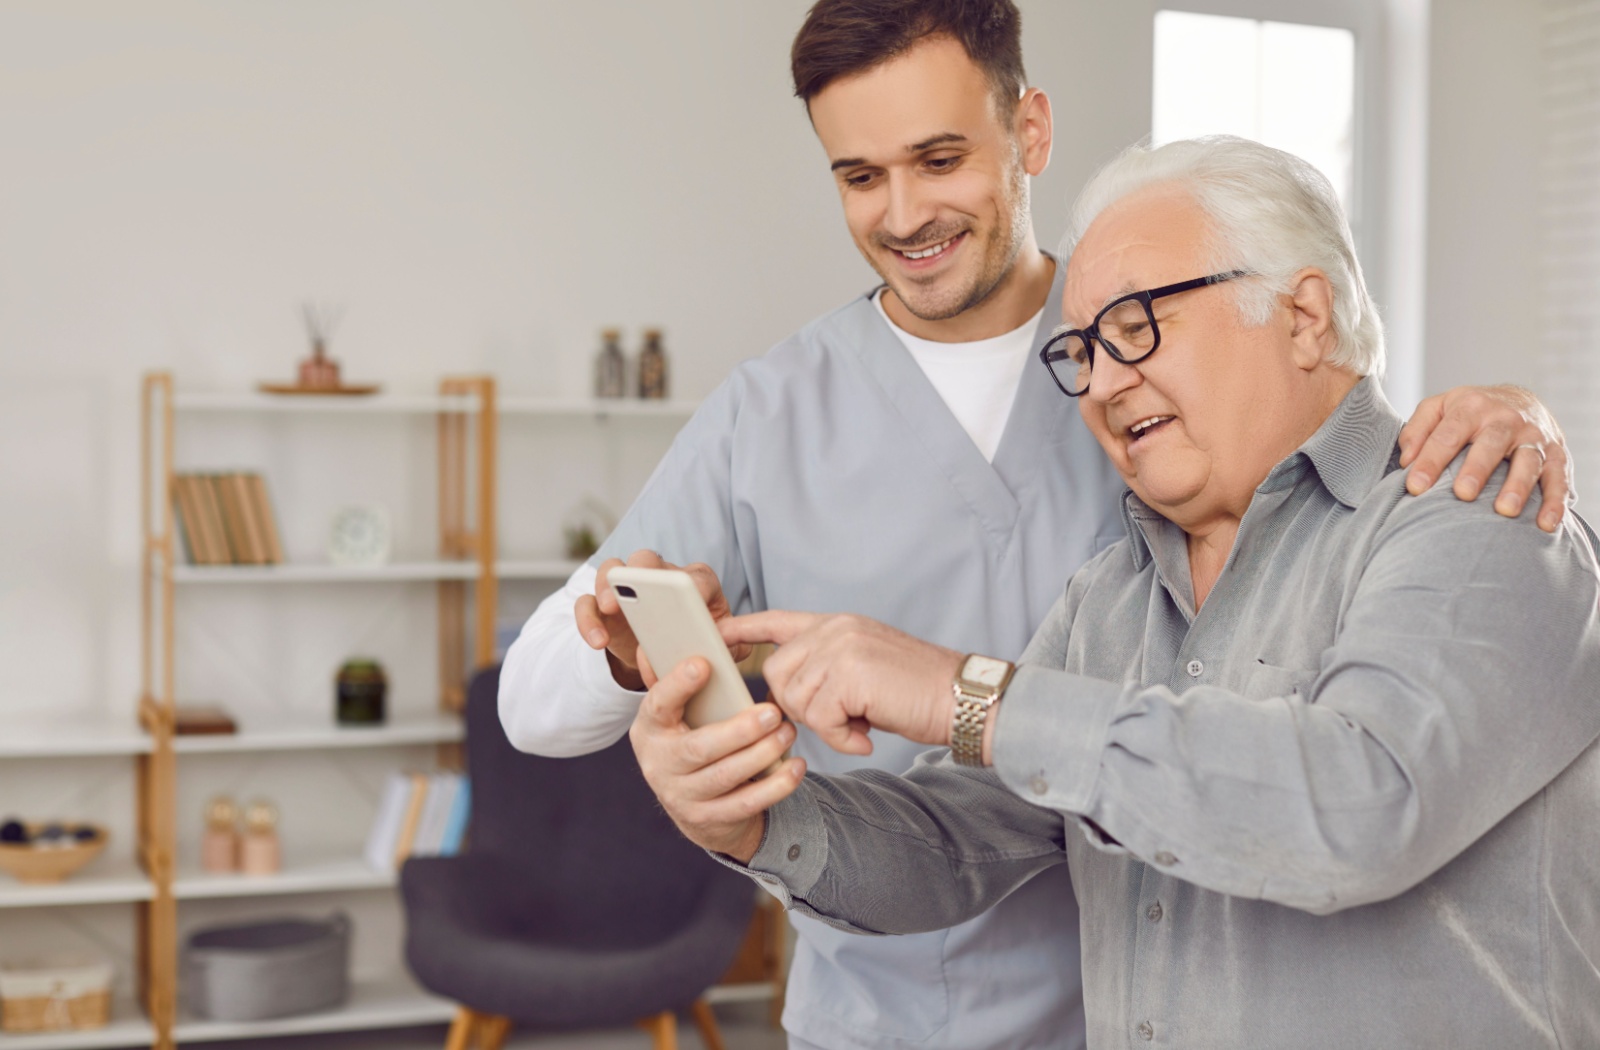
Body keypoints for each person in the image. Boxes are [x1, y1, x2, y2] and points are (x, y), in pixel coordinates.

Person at [501, 2, 1573, 1047]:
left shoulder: (1467, 512)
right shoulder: (1114, 593)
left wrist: (953, 688)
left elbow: (1353, 798)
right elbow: (968, 829)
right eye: (1085, 351)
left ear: (1029, 134)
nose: (1103, 381)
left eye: (1135, 329)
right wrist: (753, 823)